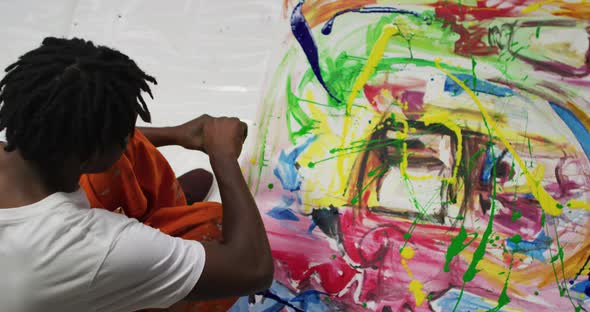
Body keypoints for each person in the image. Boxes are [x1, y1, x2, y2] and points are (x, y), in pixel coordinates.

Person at [0, 37, 274, 311]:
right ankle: (159, 248)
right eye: (124, 131)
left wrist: (175, 135)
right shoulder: (90, 248)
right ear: (89, 156)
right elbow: (252, 268)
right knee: (217, 227)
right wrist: (223, 157)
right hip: (63, 275)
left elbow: (74, 133)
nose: (131, 134)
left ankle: (163, 218)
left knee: (127, 154)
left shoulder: (32, 144)